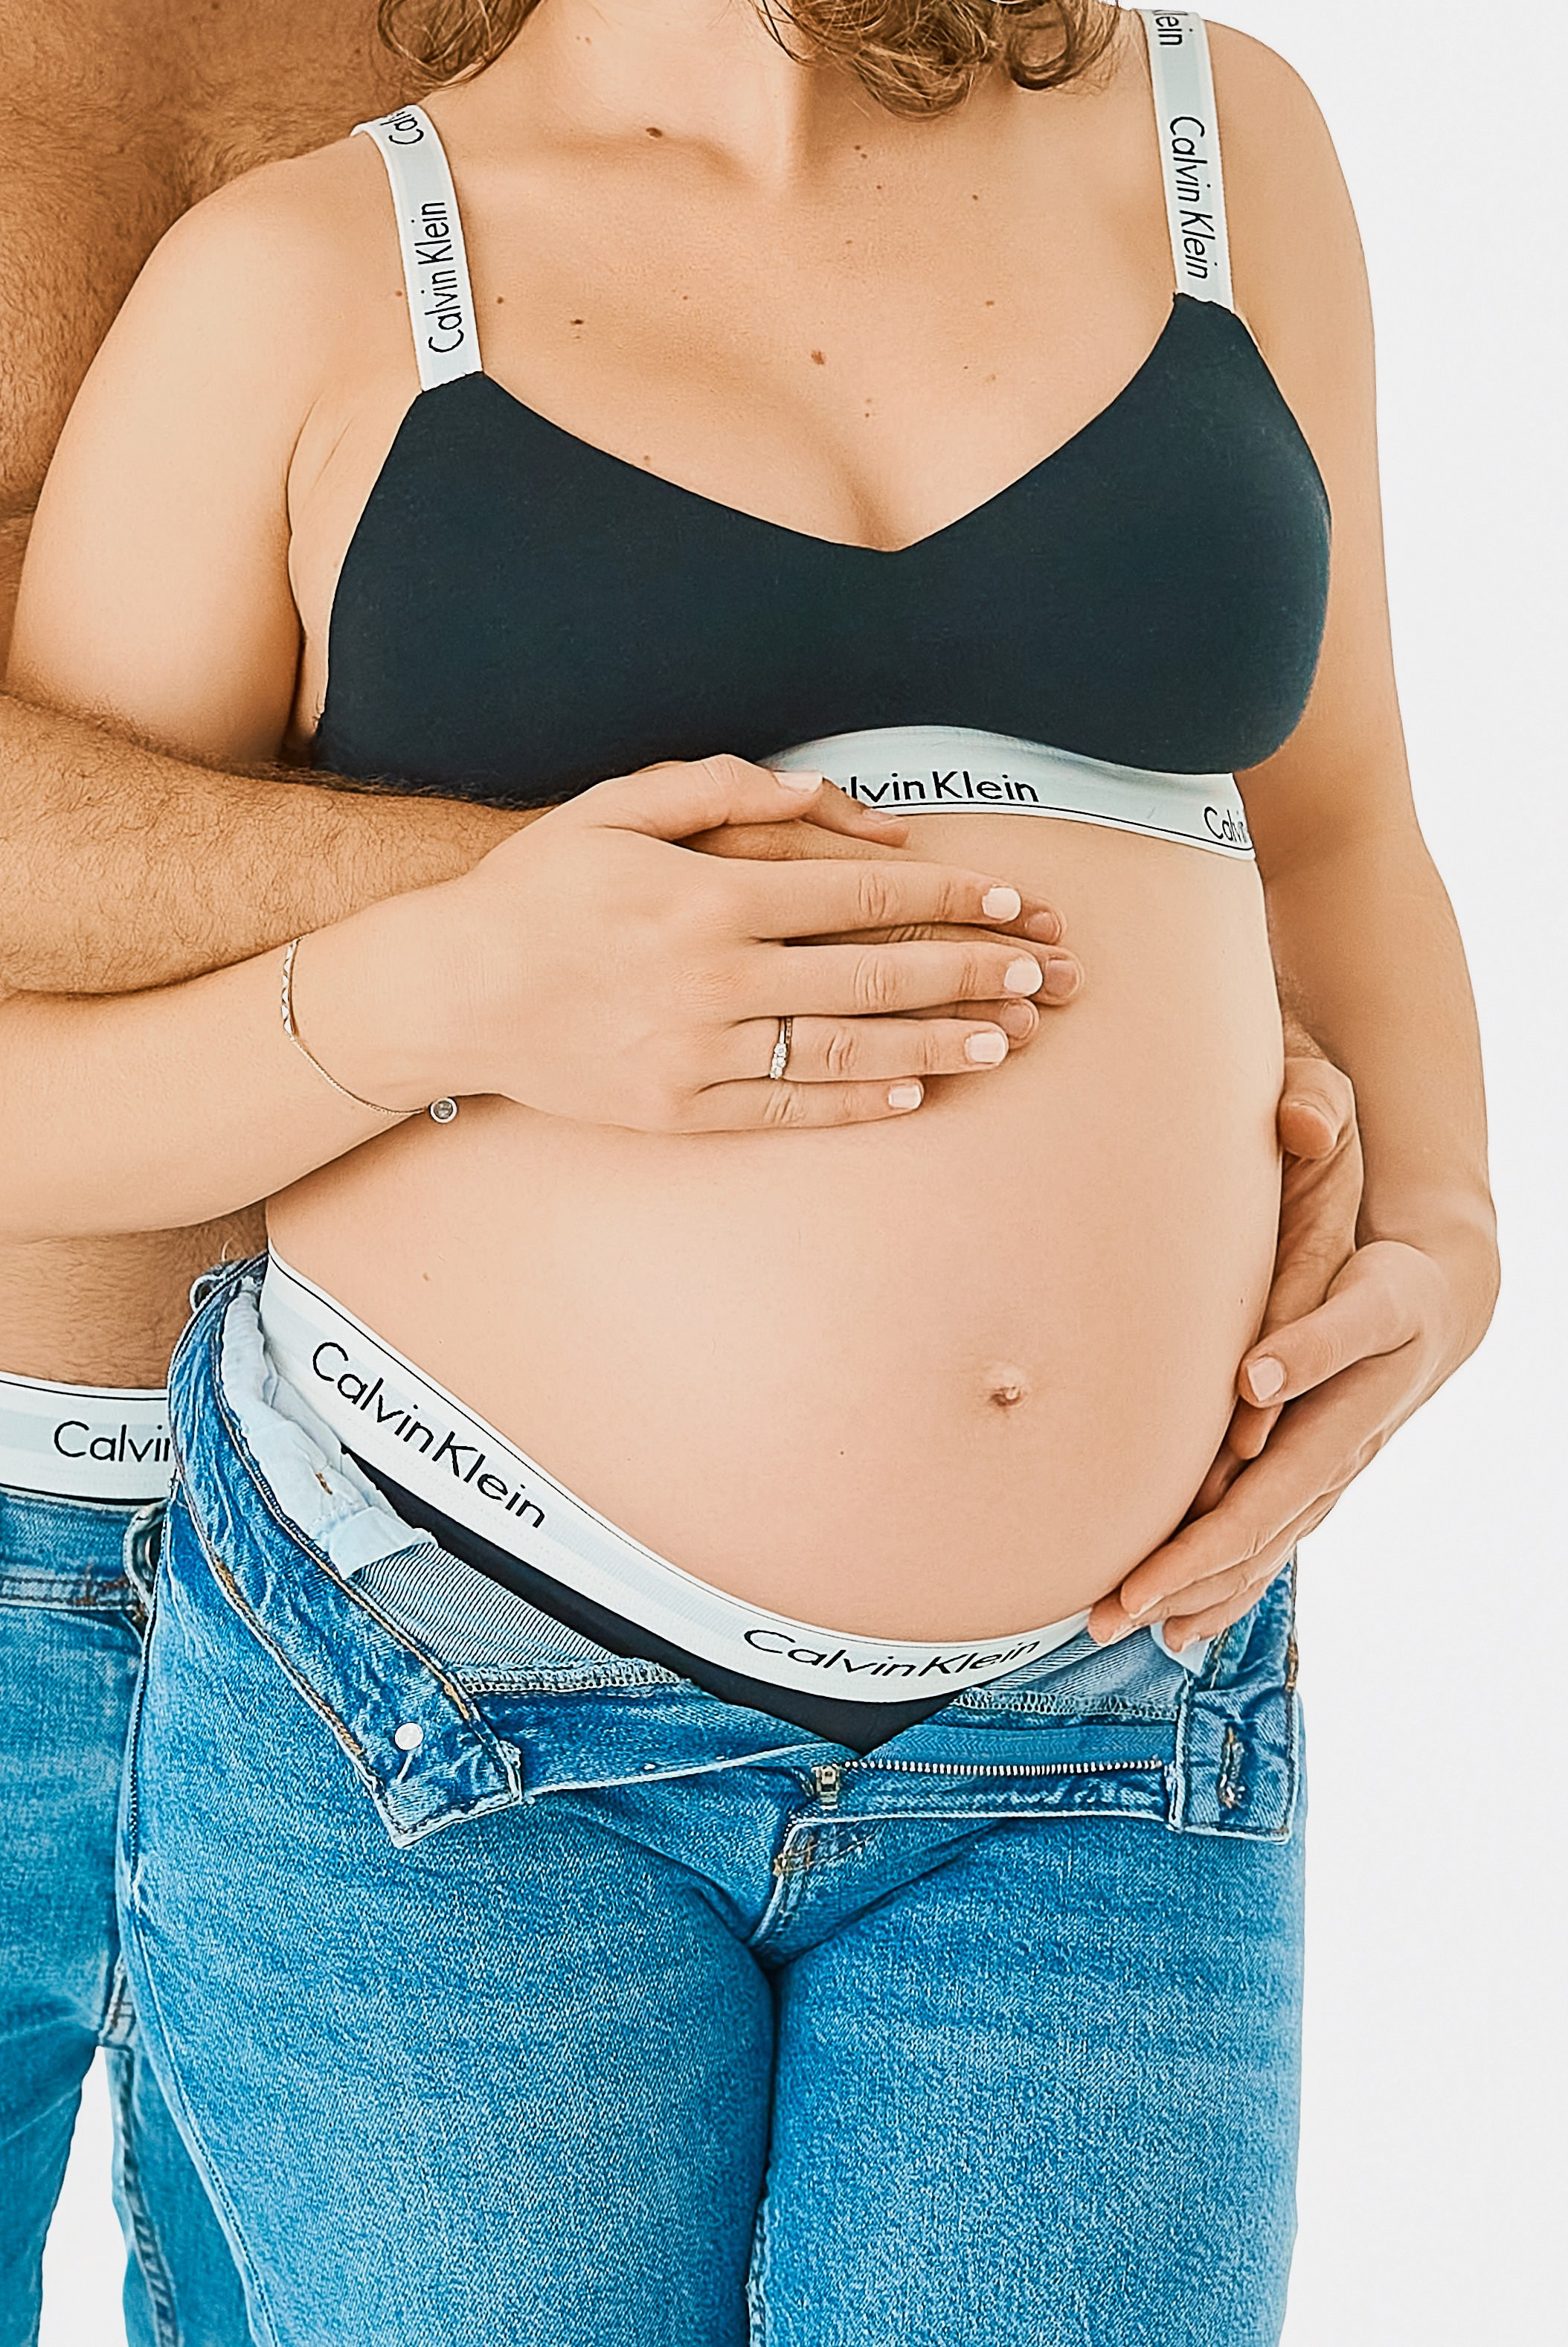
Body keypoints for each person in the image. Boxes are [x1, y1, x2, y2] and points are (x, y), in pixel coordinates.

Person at [1, 3, 1495, 2341]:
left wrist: (1458, 1226)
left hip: (1108, 1697)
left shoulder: (1218, 140)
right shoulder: (304, 271)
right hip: (449, 1699)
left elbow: (1334, 823)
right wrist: (440, 990)